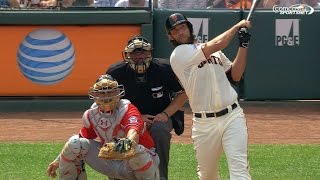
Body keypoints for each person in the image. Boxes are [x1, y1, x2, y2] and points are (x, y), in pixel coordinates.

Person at [165, 13, 252, 180]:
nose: (180, 32)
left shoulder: (212, 51)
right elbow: (219, 43)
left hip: (232, 116)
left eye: (182, 27)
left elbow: (235, 75)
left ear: (189, 28)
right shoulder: (178, 55)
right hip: (204, 123)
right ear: (170, 36)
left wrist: (244, 45)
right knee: (207, 175)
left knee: (239, 170)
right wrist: (236, 27)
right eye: (175, 31)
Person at [47, 74, 160, 180]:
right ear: (95, 94)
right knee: (75, 143)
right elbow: (82, 137)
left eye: (110, 91)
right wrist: (59, 160)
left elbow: (133, 134)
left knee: (135, 150)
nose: (106, 96)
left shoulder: (127, 108)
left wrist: (123, 146)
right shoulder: (91, 114)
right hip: (111, 161)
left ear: (118, 92)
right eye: (102, 92)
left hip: (141, 162)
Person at [106, 35, 188, 180]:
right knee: (115, 133)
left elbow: (184, 93)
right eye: (134, 53)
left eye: (143, 52)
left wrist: (165, 114)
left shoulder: (164, 68)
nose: (139, 56)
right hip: (126, 117)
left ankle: (160, 177)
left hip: (159, 116)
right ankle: (118, 176)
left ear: (150, 53)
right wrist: (135, 119)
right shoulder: (115, 72)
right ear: (127, 55)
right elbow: (108, 101)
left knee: (160, 130)